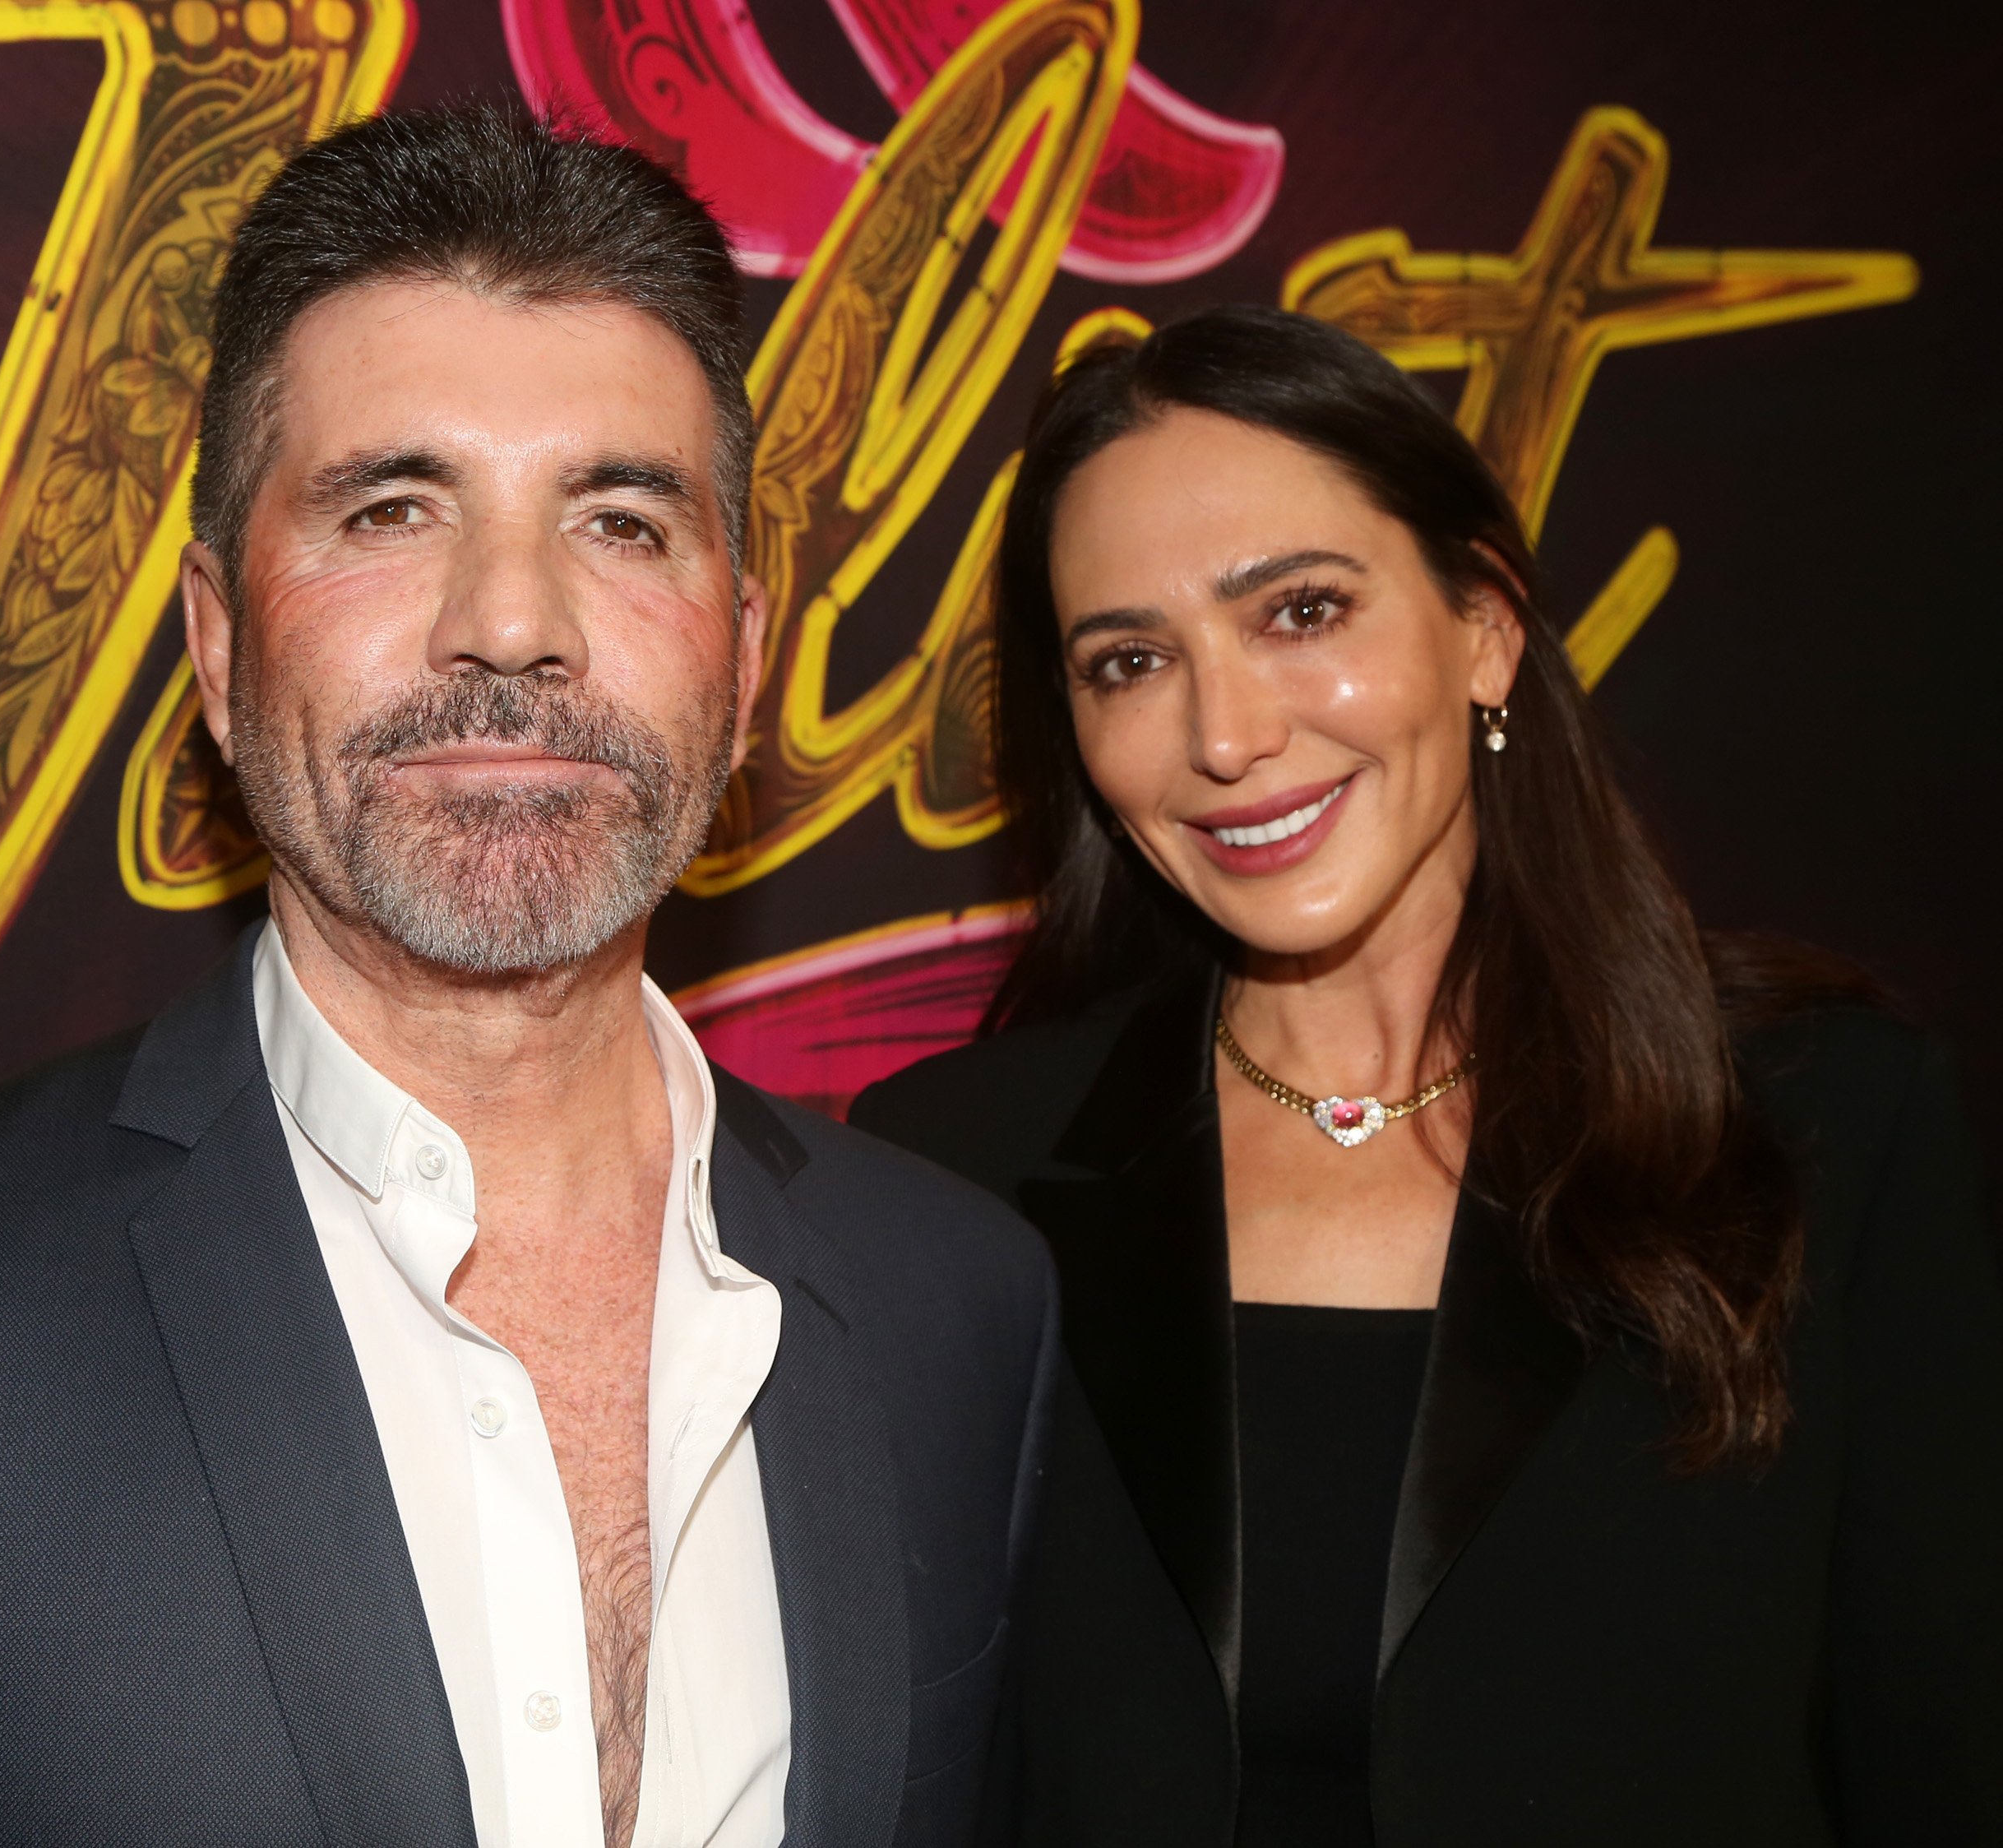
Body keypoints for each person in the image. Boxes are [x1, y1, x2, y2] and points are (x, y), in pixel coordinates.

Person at [0, 107, 1057, 1848]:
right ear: (214, 636)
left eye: (623, 520)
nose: (510, 618)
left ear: (748, 651)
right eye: (394, 506)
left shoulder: (960, 1302)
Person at [851, 305, 2003, 1846]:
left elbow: (1942, 1768)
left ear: (1485, 626)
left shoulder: (1823, 1126)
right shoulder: (951, 1176)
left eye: (1302, 613)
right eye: (1131, 660)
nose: (1227, 733)